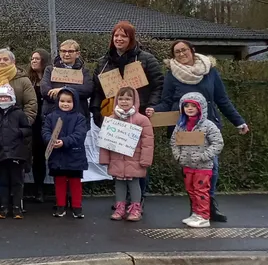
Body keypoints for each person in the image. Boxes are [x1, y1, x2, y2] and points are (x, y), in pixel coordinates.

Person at [155, 40, 249, 223]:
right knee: (191, 171)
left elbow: (222, 99)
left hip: (208, 126)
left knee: (211, 168)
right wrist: (153, 110)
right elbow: (166, 101)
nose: (181, 54)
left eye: (184, 50)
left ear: (192, 50)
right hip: (184, 129)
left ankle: (208, 205)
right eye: (177, 52)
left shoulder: (210, 71)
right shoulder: (172, 75)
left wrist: (239, 121)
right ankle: (196, 209)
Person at [0, 48, 38, 212]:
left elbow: (31, 104)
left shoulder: (23, 81)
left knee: (16, 168)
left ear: (13, 62)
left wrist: (23, 125)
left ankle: (17, 202)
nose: (2, 62)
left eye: (6, 59)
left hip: (17, 135)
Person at [90, 21, 165, 127]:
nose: (119, 39)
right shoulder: (103, 62)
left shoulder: (147, 59)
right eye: (116, 35)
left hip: (140, 116)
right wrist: (96, 110)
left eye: (124, 36)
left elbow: (158, 85)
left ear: (131, 38)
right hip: (110, 116)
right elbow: (97, 89)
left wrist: (151, 106)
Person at [171, 92, 224, 228]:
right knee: (191, 190)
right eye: (186, 106)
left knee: (201, 191)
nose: (189, 108)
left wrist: (204, 156)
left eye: (193, 106)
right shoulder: (181, 125)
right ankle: (196, 213)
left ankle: (204, 216)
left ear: (201, 107)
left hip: (203, 166)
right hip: (187, 165)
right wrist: (178, 156)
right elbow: (174, 142)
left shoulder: (208, 125)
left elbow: (218, 143)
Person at [100, 87, 154, 222]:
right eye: (121, 98)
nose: (124, 101)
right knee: (119, 183)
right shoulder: (111, 119)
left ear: (134, 100)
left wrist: (145, 160)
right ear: (116, 100)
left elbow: (148, 142)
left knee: (134, 182)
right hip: (117, 158)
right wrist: (104, 159)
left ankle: (135, 209)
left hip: (135, 158)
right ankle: (120, 208)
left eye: (128, 99)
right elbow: (105, 141)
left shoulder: (142, 120)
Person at [0, 84, 31, 219]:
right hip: (0, 153)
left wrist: (18, 132)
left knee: (17, 182)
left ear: (12, 98)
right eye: (1, 97)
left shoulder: (19, 113)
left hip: (16, 153)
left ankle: (17, 208)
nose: (3, 99)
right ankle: (3, 208)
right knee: (3, 182)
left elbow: (28, 129)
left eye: (6, 97)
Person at [43, 89, 89, 219]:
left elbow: (79, 135)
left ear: (75, 102)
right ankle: (60, 206)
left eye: (69, 101)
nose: (65, 104)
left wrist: (64, 142)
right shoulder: (51, 117)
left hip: (75, 155)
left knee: (75, 183)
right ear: (57, 101)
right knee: (59, 182)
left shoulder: (80, 118)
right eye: (62, 101)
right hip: (57, 155)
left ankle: (77, 207)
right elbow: (45, 131)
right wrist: (51, 140)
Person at [27, 49, 51, 202]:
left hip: (48, 120)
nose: (34, 61)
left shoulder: (52, 78)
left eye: (37, 58)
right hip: (34, 122)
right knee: (37, 156)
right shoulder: (29, 80)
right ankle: (38, 188)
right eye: (32, 58)